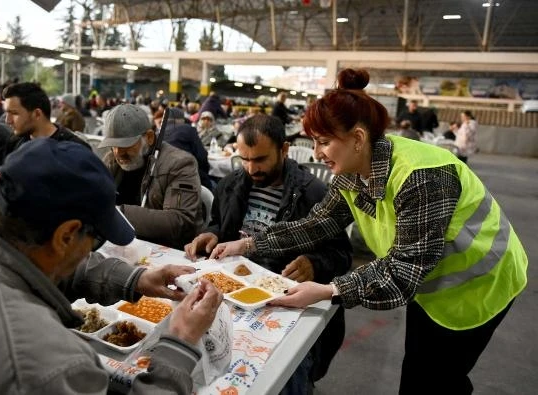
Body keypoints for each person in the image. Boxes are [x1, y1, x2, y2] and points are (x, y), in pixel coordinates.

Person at [210, 68, 528, 395]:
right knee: (419, 369)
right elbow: (316, 224)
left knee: (439, 377)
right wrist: (246, 245)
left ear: (358, 138)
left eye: (323, 142)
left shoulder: (422, 178)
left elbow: (404, 272)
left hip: (479, 284)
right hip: (431, 283)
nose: (316, 153)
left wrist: (329, 290)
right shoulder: (354, 170)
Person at [0, 138, 223, 394]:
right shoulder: (54, 362)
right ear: (65, 236)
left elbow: (35, 267)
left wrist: (137, 278)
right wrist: (180, 344)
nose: (91, 250)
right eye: (96, 239)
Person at [185, 114, 352, 393]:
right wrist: (212, 233)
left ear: (284, 150)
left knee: (281, 375)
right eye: (245, 159)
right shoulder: (231, 184)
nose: (252, 169)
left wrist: (315, 262)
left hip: (285, 300)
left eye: (260, 159)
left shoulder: (313, 194)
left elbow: (342, 255)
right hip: (235, 294)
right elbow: (221, 224)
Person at [99, 104, 202, 250]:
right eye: (113, 145)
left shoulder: (180, 164)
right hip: (125, 246)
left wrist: (119, 213)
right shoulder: (111, 161)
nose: (118, 152)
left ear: (149, 137)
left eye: (126, 144)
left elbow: (179, 222)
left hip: (167, 250)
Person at [3, 82, 91, 155]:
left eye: (14, 113)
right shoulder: (15, 143)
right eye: (6, 113)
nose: (7, 120)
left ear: (37, 114)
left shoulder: (76, 151)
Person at [161, 107, 213, 191]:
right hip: (188, 178)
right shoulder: (188, 129)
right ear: (181, 119)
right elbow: (202, 156)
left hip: (162, 179)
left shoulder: (158, 132)